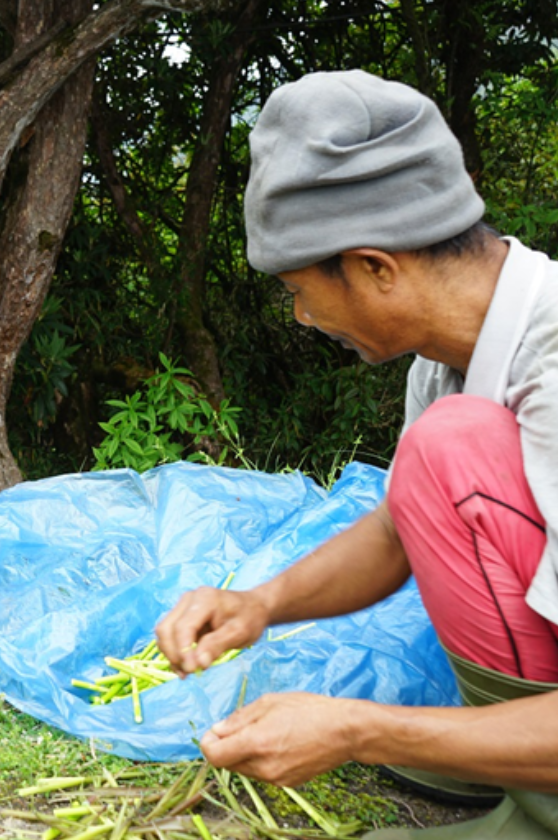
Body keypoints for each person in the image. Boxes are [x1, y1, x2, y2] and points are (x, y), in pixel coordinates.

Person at [154, 70, 558, 840]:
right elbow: (399, 533)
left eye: (300, 291)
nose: (303, 317)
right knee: (437, 460)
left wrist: (360, 728)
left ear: (375, 266)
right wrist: (259, 606)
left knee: (446, 445)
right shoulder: (443, 363)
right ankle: (512, 754)